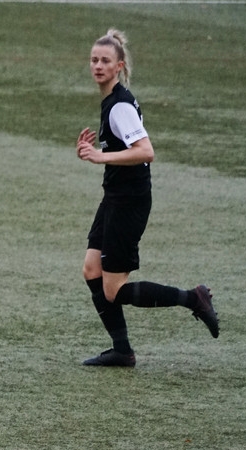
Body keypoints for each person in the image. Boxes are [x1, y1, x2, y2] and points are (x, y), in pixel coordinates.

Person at [76, 28, 218, 367]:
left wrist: (101, 156)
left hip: (129, 201)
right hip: (115, 196)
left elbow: (145, 151)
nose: (98, 66)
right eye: (94, 60)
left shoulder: (119, 106)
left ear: (119, 66)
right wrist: (95, 151)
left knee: (113, 289)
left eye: (105, 61)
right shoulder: (113, 100)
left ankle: (193, 298)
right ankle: (122, 350)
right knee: (92, 269)